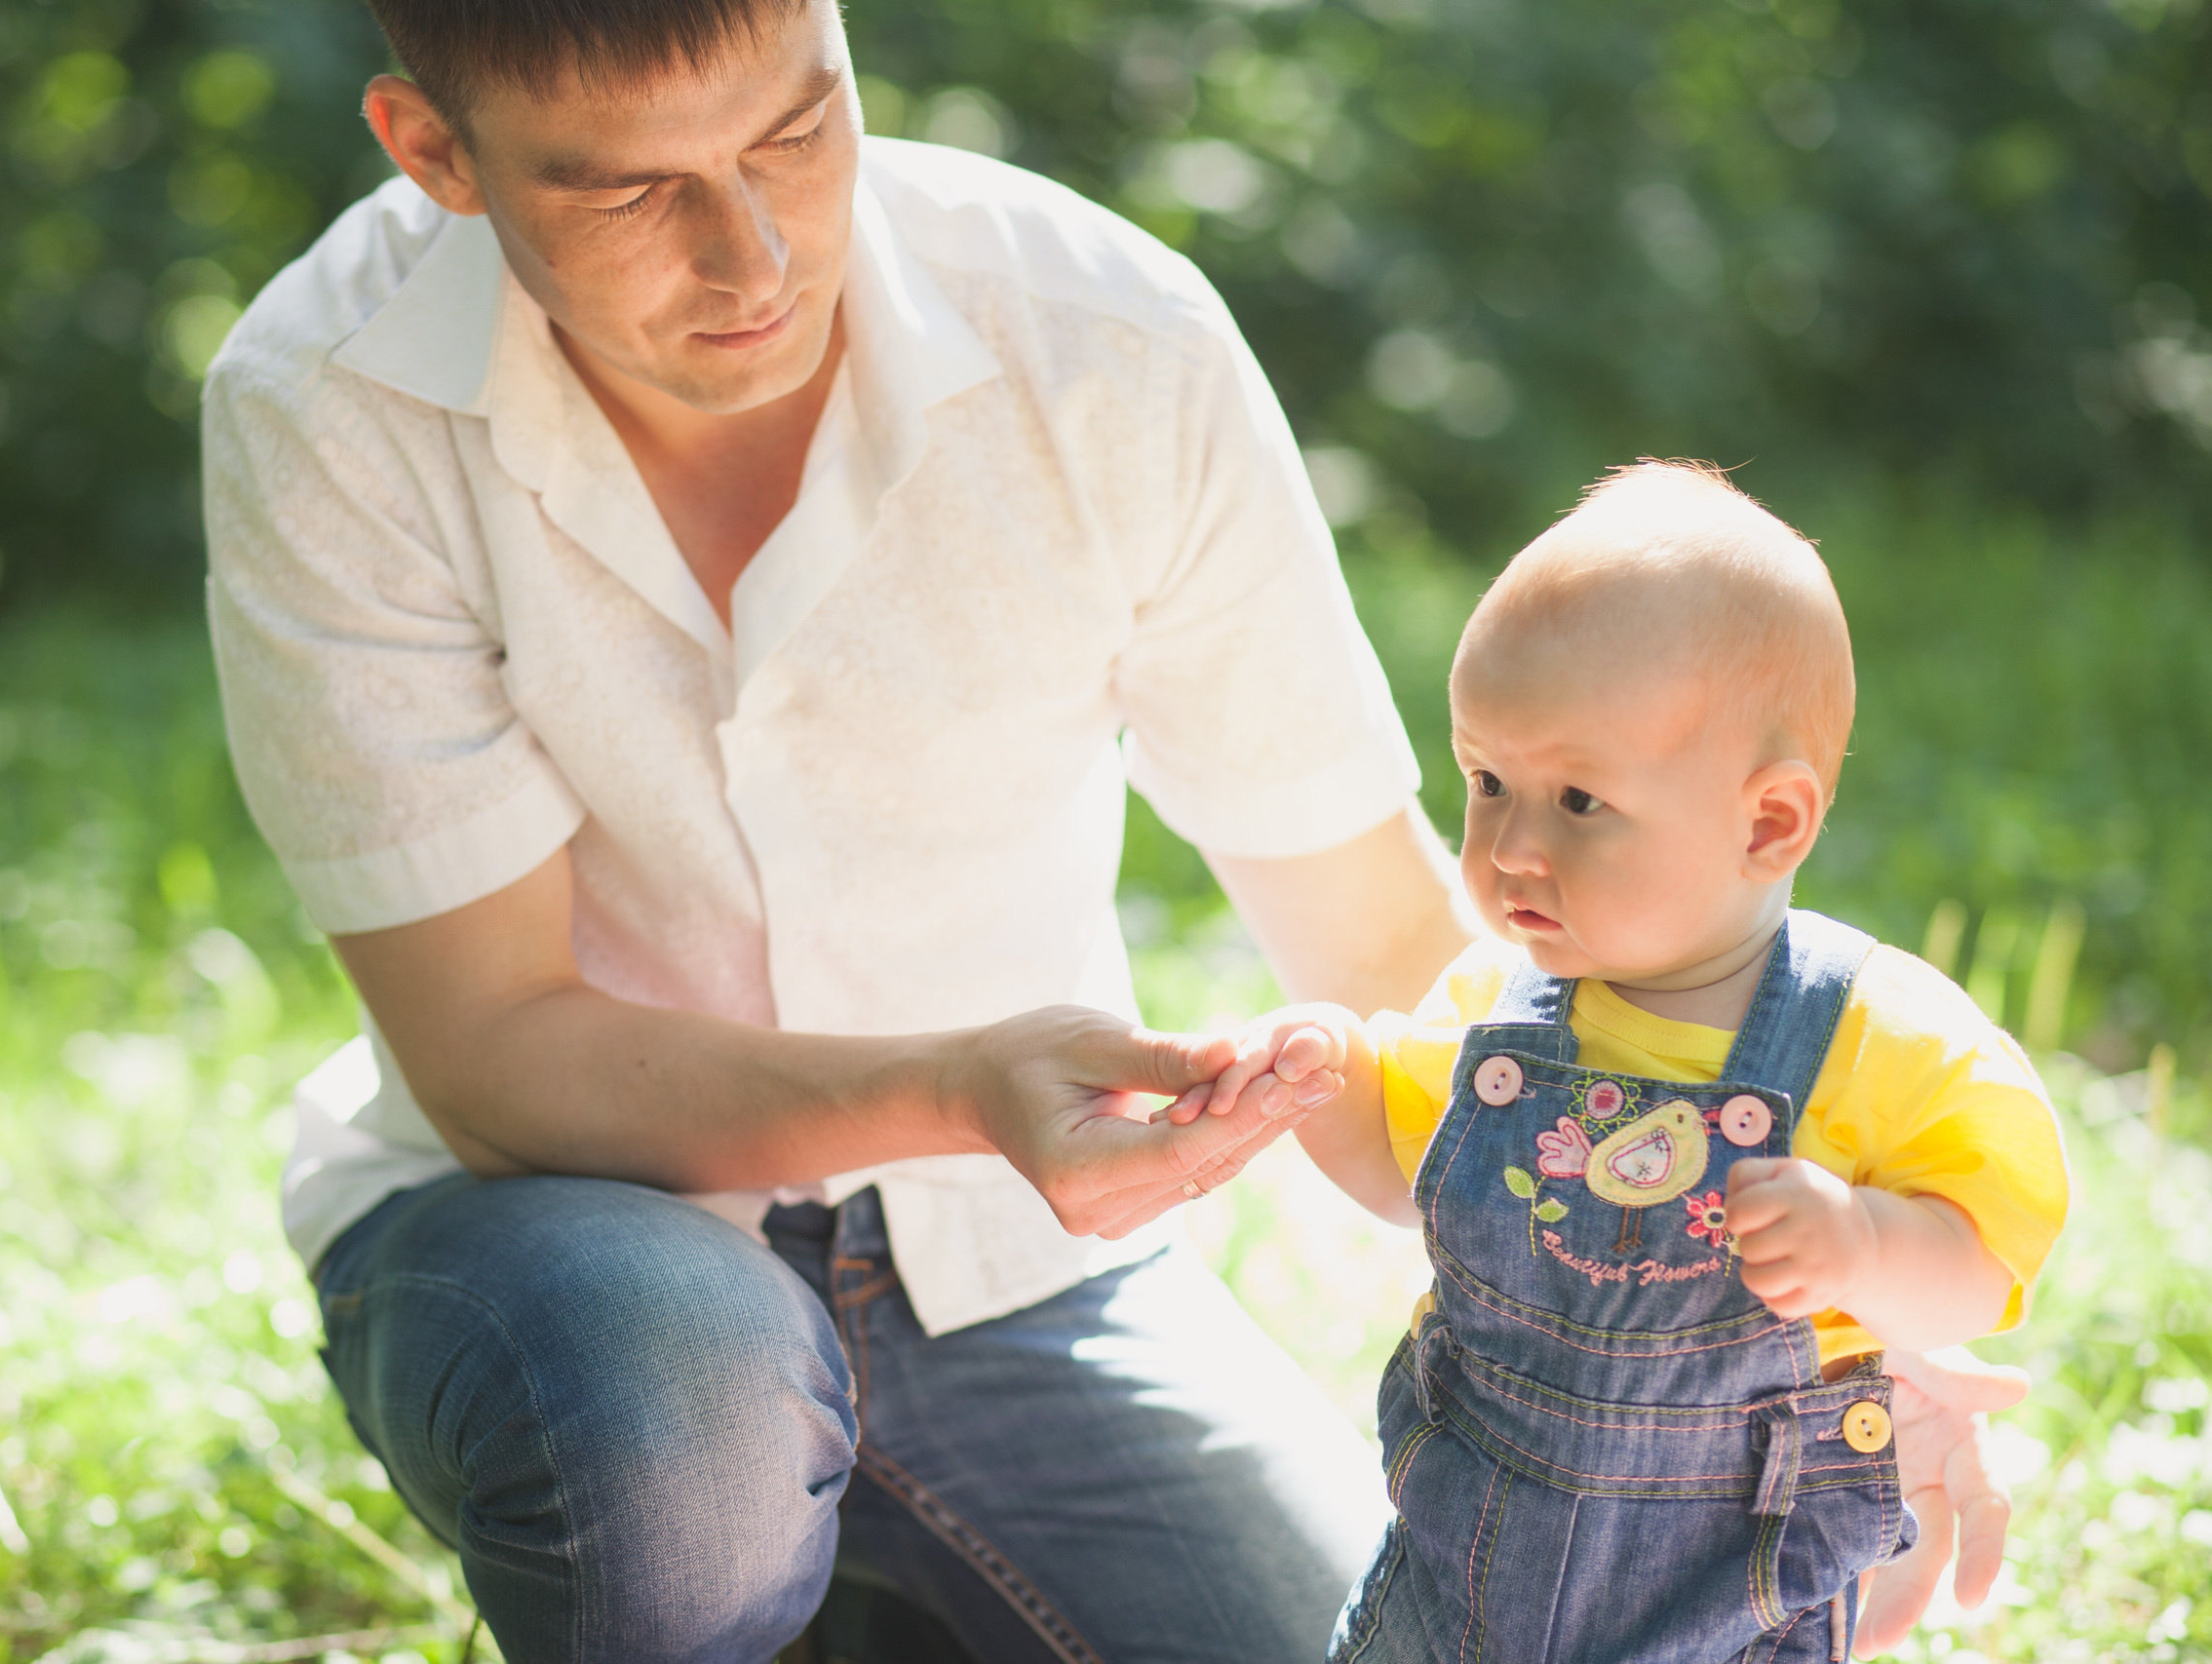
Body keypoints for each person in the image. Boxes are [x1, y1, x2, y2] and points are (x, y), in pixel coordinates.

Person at [199, 0, 2027, 1648]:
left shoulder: (1104, 339)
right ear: (434, 151)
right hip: (569, 1240)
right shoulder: (328, 403)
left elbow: (1394, 945)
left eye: (797, 129)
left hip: (1024, 1271)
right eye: (627, 192)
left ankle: (859, 1594)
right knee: (676, 1420)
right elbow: (497, 1059)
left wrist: (1784, 1340)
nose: (752, 252)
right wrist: (962, 1086)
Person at [1192, 463, 2068, 1661]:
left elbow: (1980, 1269)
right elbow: (1406, 1179)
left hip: (1725, 1594)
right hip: (1463, 1566)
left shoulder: (1882, 1038)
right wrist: (1321, 1070)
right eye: (1487, 782)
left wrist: (1865, 1247)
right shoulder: (1496, 1015)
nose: (1510, 845)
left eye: (1578, 801)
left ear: (1768, 821)